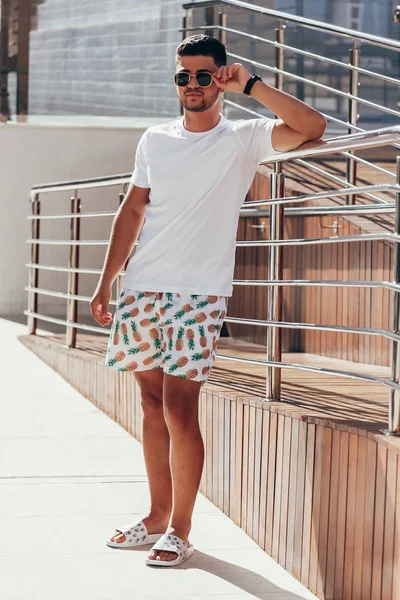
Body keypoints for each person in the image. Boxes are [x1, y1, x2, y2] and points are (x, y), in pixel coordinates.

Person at [89, 34, 326, 567]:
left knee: (180, 408)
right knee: (150, 406)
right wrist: (107, 282)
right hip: (143, 287)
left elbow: (313, 128)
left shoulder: (246, 137)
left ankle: (181, 528)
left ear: (219, 78)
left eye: (203, 76)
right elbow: (131, 212)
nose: (192, 86)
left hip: (199, 294)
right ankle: (154, 517)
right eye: (183, 76)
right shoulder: (155, 139)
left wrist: (251, 85)